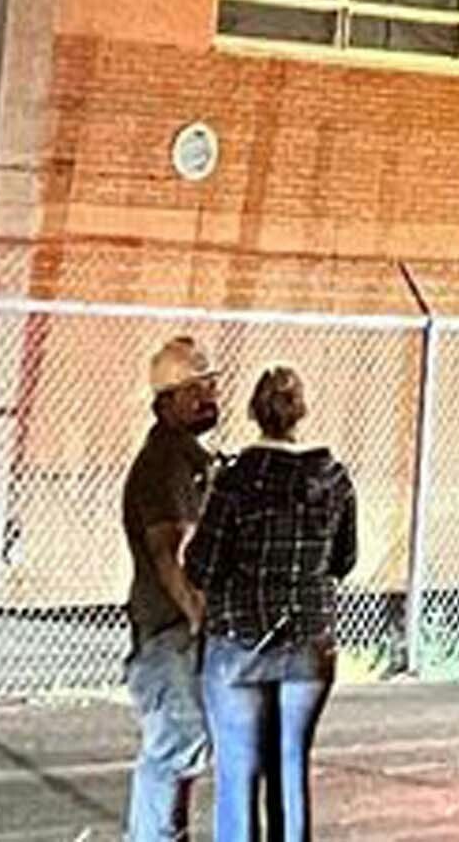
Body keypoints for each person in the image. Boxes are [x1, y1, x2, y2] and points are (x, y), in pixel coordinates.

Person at [183, 364, 357, 842]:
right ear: (301, 413)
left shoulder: (235, 481)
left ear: (254, 413)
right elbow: (344, 560)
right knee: (290, 764)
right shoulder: (334, 481)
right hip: (309, 637)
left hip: (240, 637)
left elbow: (201, 567)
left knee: (238, 771)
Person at [117, 334, 223, 842]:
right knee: (176, 746)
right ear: (166, 401)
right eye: (195, 389)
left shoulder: (192, 461)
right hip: (171, 632)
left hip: (178, 633)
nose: (209, 397)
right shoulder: (166, 465)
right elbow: (170, 553)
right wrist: (200, 616)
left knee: (189, 746)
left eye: (211, 385)